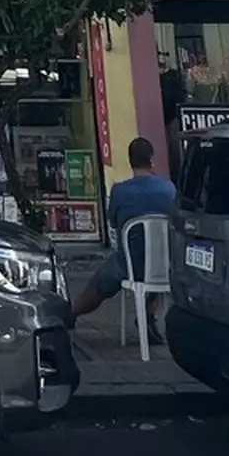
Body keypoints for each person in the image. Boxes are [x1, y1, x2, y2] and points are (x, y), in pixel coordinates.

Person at [69, 136, 179, 323]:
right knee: (157, 266)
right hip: (164, 264)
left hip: (129, 265)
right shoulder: (169, 189)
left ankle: (71, 314)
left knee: (99, 284)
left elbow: (113, 223)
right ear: (151, 160)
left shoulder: (120, 191)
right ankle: (147, 314)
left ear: (130, 161)